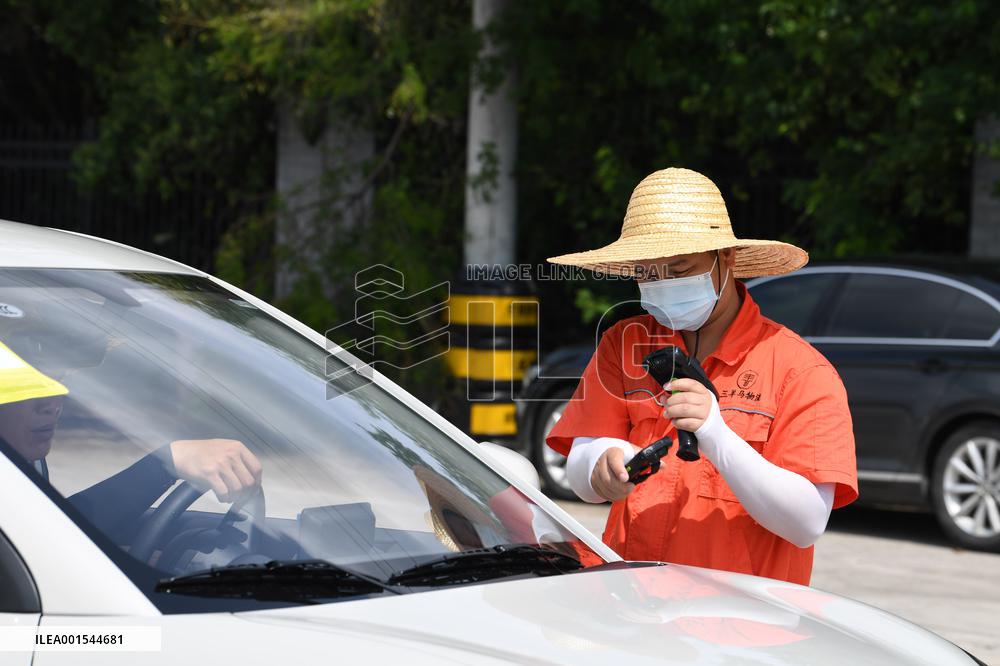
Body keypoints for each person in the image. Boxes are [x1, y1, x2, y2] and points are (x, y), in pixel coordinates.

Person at [545, 167, 857, 586]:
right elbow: (580, 465)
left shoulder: (800, 371)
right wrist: (602, 463)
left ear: (725, 258)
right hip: (631, 602)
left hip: (739, 617)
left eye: (679, 269)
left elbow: (807, 522)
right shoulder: (624, 342)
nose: (662, 284)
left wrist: (716, 434)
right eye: (648, 273)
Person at [0, 319, 262, 542]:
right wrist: (165, 464)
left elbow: (45, 527)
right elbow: (50, 541)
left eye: (58, 381)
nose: (52, 405)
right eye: (25, 389)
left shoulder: (22, 460)